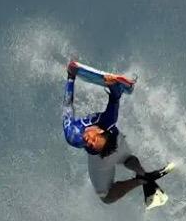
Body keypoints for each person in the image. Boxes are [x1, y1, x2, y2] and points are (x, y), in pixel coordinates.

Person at [62, 60, 173, 209]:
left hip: (113, 146)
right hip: (106, 153)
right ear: (100, 130)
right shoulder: (103, 122)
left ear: (102, 131)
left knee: (124, 166)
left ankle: (143, 177)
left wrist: (71, 77)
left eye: (91, 143)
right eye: (92, 142)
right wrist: (112, 86)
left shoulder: (76, 135)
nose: (88, 141)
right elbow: (114, 97)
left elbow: (69, 105)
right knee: (108, 194)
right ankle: (142, 178)